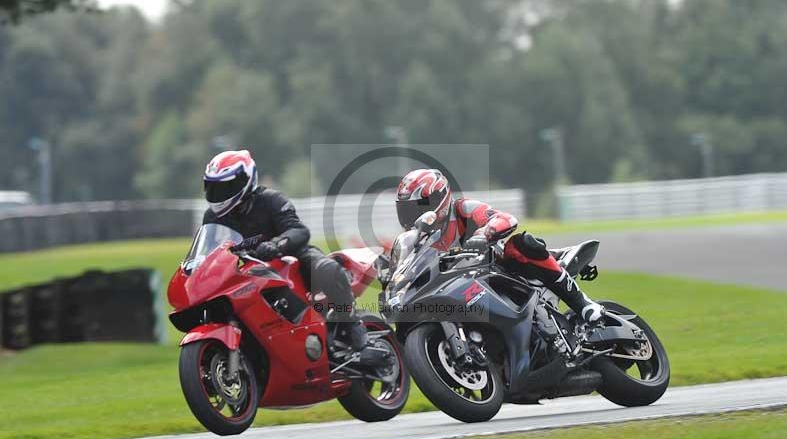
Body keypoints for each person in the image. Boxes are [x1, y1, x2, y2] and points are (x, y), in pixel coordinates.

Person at [202, 150, 382, 364]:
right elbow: (207, 251)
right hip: (245, 272)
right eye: (214, 187)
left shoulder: (270, 200)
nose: (220, 193)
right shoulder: (212, 217)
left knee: (327, 268)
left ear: (245, 181)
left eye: (225, 187)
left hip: (290, 258)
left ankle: (353, 325)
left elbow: (299, 231)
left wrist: (277, 244)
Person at [395, 168, 605, 325]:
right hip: (463, 290)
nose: (411, 216)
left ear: (438, 199)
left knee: (520, 245)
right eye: (406, 210)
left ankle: (583, 303)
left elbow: (505, 219)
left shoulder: (462, 209)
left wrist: (483, 234)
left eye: (416, 208)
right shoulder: (417, 241)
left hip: (503, 271)